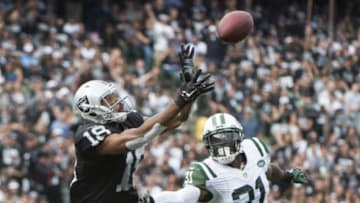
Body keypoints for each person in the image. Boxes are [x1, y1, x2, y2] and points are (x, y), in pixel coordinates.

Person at [69, 44, 214, 203]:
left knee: (179, 196)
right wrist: (180, 98)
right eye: (109, 99)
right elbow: (134, 138)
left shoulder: (128, 120)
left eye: (114, 96)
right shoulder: (86, 133)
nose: (117, 101)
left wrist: (188, 93)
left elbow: (178, 118)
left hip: (126, 199)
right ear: (90, 108)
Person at [140, 113, 307, 203]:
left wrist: (287, 176)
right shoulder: (207, 171)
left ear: (239, 137)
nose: (222, 146)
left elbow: (267, 170)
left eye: (226, 139)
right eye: (216, 141)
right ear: (207, 143)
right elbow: (185, 196)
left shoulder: (254, 148)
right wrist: (155, 200)